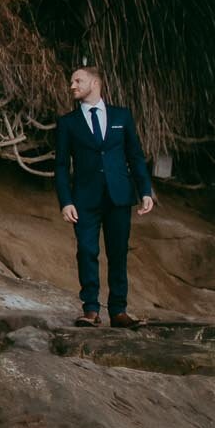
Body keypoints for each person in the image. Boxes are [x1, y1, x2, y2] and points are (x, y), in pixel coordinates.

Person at [53, 64, 155, 328]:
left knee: (118, 253)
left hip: (119, 196)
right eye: (71, 81)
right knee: (87, 251)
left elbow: (135, 156)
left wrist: (146, 191)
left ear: (94, 83)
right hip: (84, 199)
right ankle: (90, 310)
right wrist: (65, 201)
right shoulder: (68, 123)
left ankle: (119, 311)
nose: (72, 85)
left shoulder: (122, 116)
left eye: (78, 80)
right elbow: (62, 165)